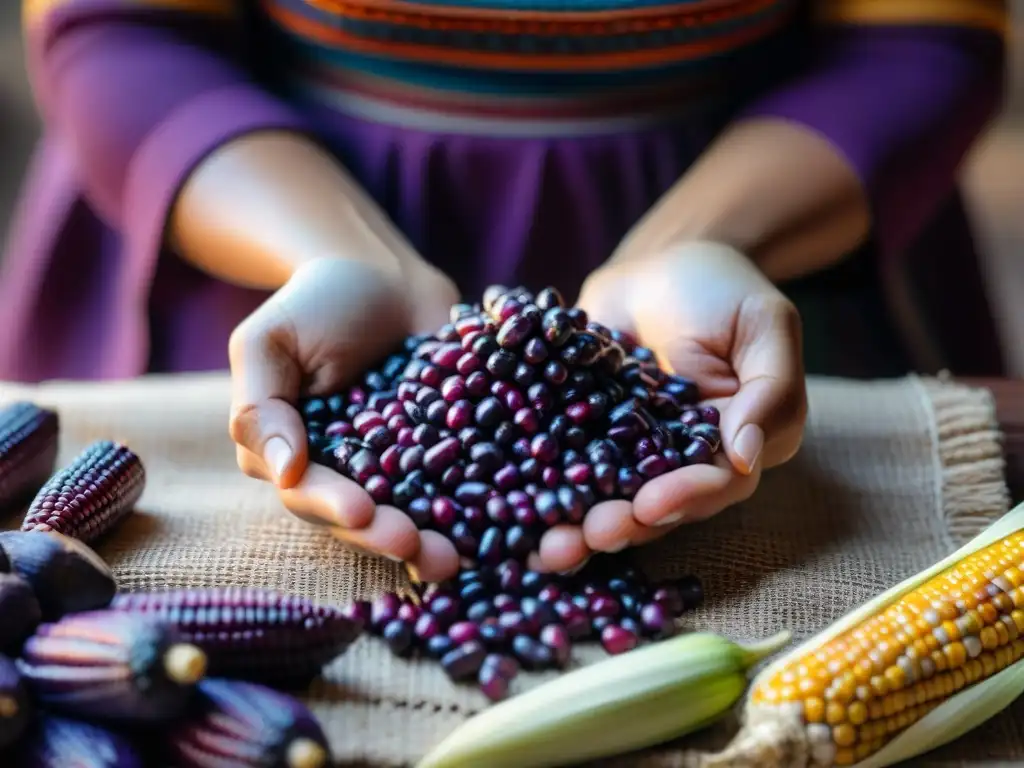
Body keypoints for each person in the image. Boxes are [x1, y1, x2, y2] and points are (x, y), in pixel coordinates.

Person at [0, 0, 1007, 581]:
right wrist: (335, 254)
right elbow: (116, 25)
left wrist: (700, 241)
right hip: (257, 213)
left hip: (778, 202)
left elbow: (920, 36)